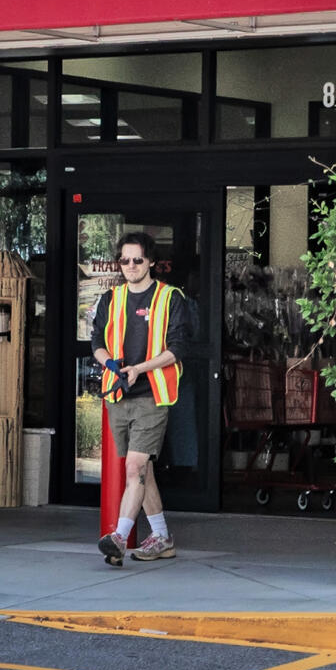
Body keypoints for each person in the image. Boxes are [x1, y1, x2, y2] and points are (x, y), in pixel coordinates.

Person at [92, 232, 191, 564]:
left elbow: (178, 349)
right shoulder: (111, 298)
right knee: (141, 467)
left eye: (137, 260)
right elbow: (96, 343)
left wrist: (139, 369)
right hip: (118, 394)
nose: (130, 266)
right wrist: (113, 365)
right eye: (124, 260)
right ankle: (161, 537)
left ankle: (119, 537)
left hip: (153, 393)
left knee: (134, 466)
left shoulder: (170, 298)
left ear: (151, 262)